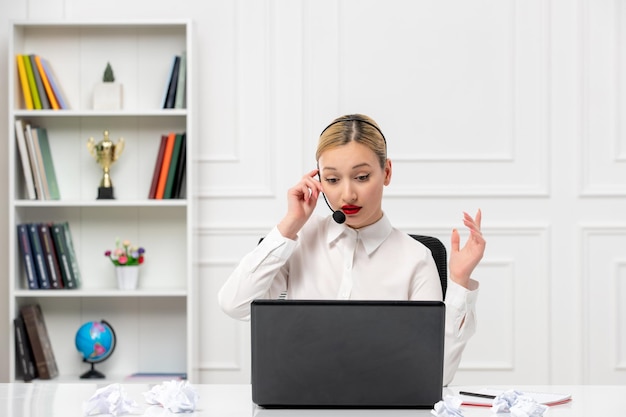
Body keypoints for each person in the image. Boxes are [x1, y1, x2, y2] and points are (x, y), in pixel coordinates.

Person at [218, 114, 486, 386]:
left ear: (387, 173)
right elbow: (234, 305)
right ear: (318, 181)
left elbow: (436, 375)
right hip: (302, 400)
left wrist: (460, 282)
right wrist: (290, 225)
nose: (347, 195)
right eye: (332, 180)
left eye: (361, 176)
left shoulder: (416, 258)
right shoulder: (298, 242)